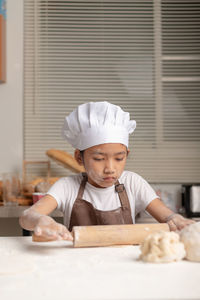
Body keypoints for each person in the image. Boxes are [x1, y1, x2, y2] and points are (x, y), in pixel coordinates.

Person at [19, 101, 194, 241]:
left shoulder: (133, 183)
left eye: (119, 158)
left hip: (127, 267)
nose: (110, 168)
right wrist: (42, 220)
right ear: (79, 158)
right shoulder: (67, 187)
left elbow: (167, 217)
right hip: (77, 267)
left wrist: (175, 219)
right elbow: (27, 216)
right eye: (99, 158)